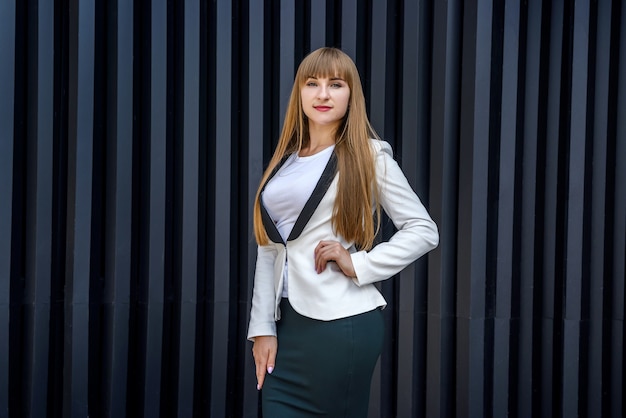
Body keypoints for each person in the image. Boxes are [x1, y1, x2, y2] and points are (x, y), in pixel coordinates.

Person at [247, 47, 439, 417]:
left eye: (335, 84)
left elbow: (423, 230)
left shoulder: (369, 155)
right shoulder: (285, 163)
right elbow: (269, 249)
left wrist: (359, 264)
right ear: (299, 93)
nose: (322, 94)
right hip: (286, 329)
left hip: (341, 326)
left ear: (351, 94)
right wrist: (262, 328)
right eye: (312, 83)